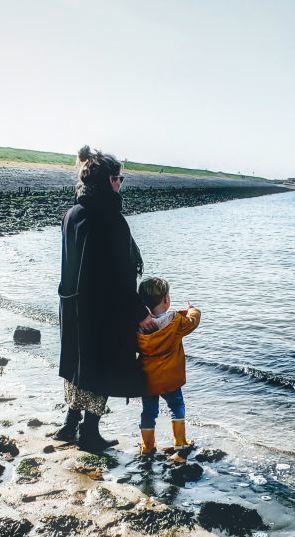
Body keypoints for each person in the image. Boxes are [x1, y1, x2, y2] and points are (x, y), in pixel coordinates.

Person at [54, 146, 156, 452]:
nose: (120, 183)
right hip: (101, 311)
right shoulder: (107, 217)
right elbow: (119, 276)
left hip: (72, 306)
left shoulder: (73, 213)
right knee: (102, 369)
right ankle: (90, 433)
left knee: (78, 367)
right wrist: (141, 313)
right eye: (119, 178)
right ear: (107, 180)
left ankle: (69, 426)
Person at [135, 276, 201, 455]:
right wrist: (192, 310)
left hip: (148, 379)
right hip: (170, 378)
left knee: (149, 412)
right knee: (177, 406)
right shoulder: (176, 322)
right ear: (166, 299)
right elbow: (193, 322)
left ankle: (147, 447)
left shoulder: (139, 327)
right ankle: (180, 443)